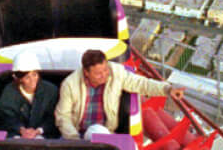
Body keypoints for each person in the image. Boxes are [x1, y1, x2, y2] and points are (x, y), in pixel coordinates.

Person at [55, 49, 184, 140]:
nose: (105, 75)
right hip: (76, 134)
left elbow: (141, 83)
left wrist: (167, 89)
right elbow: (63, 116)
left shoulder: (116, 72)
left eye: (105, 69)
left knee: (97, 132)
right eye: (98, 73)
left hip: (103, 132)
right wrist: (75, 140)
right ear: (86, 72)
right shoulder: (70, 84)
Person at [0, 51, 59, 139]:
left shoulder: (51, 90)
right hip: (16, 135)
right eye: (27, 77)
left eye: (34, 75)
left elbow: (54, 117)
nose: (32, 80)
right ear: (18, 79)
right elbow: (6, 117)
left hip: (45, 135)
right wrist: (21, 130)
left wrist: (38, 131)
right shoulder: (9, 92)